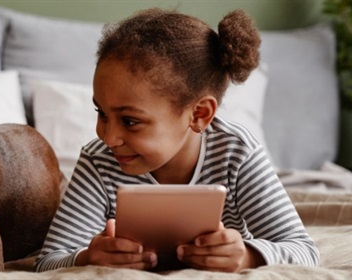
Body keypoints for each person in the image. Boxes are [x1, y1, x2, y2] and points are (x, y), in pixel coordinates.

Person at [34, 8, 320, 273]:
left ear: (199, 114)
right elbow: (47, 262)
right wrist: (86, 258)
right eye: (102, 113)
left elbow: (304, 250)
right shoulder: (98, 162)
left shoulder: (237, 153)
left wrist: (248, 256)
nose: (109, 138)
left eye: (130, 121)